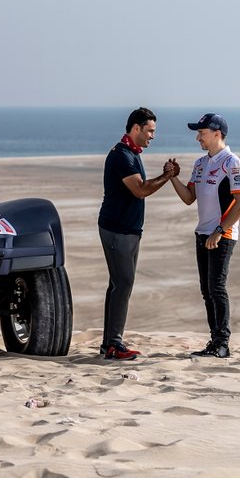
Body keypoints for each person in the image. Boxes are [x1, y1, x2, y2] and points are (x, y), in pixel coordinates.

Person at [168, 113, 240, 358]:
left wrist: (219, 230)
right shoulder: (200, 164)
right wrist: (173, 177)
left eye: (201, 133)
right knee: (206, 290)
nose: (197, 138)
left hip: (222, 235)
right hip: (202, 233)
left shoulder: (232, 163)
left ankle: (222, 344)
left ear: (217, 134)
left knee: (217, 287)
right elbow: (188, 198)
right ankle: (214, 342)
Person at [98, 107, 176, 360]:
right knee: (123, 283)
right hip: (117, 230)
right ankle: (113, 345)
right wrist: (167, 175)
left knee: (119, 284)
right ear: (136, 128)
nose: (152, 136)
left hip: (127, 230)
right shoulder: (122, 156)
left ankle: (109, 343)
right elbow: (140, 190)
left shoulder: (131, 153)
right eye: (150, 131)